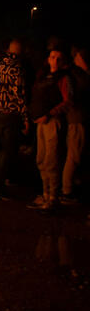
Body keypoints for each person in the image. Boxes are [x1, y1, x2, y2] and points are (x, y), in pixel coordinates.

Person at [27, 45, 72, 211]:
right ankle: (45, 194)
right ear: (48, 59)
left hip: (52, 122)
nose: (55, 60)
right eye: (52, 57)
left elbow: (68, 101)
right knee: (41, 159)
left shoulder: (64, 78)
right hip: (40, 122)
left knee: (51, 160)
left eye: (59, 58)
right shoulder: (43, 76)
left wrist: (50, 114)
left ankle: (53, 197)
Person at [0, 40, 29, 195]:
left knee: (3, 149)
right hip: (10, 115)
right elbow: (20, 97)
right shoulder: (16, 69)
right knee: (8, 151)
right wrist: (25, 118)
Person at [61, 48, 89, 204]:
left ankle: (71, 183)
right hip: (76, 118)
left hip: (76, 118)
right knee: (73, 155)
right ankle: (67, 190)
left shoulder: (75, 73)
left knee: (74, 153)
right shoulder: (76, 74)